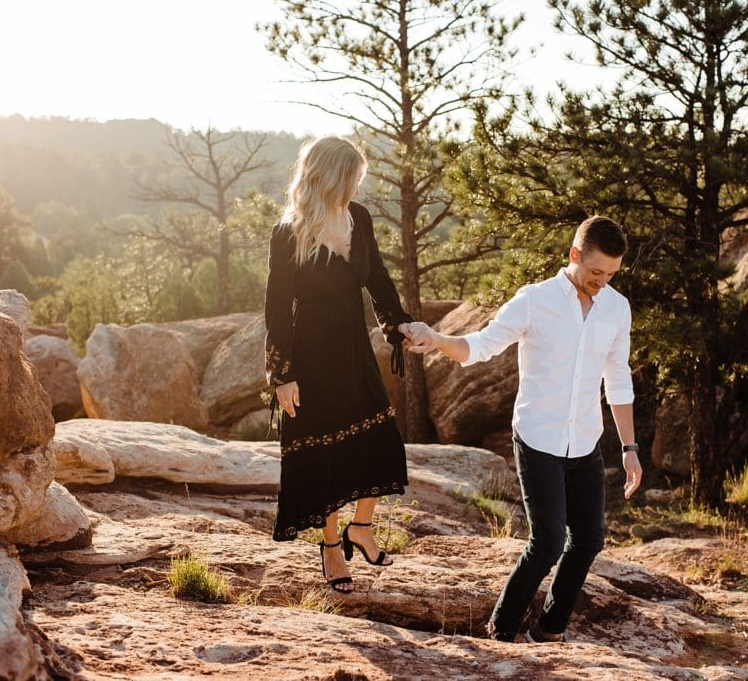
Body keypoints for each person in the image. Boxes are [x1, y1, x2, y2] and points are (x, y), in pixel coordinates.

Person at [405, 215, 643, 641]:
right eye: (595, 272)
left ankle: (548, 631)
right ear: (574, 256)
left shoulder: (616, 307)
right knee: (548, 543)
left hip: (585, 442)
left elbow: (618, 378)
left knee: (588, 542)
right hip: (538, 438)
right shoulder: (535, 300)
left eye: (610, 274)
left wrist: (629, 448)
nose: (602, 282)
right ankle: (502, 629)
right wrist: (439, 339)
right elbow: (480, 346)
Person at [264, 136, 415, 594]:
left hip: (353, 347)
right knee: (324, 453)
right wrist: (282, 375)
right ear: (332, 176)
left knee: (380, 439)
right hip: (310, 352)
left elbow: (377, 279)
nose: (357, 185)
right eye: (353, 177)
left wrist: (399, 324)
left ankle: (360, 527)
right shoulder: (289, 232)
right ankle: (331, 546)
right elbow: (275, 305)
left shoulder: (360, 218)